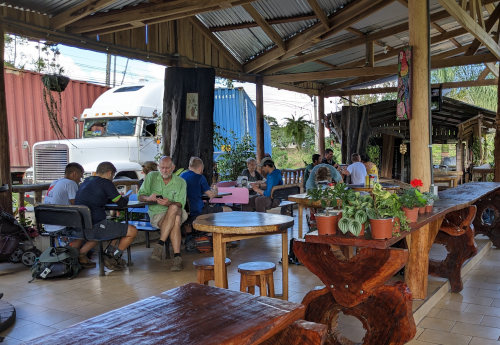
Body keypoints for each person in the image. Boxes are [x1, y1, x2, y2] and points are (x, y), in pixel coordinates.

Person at [75, 162, 138, 270]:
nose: (112, 178)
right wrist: (125, 198)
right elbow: (121, 203)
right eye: (113, 176)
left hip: (81, 224)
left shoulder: (87, 181)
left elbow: (100, 197)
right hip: (96, 224)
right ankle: (114, 257)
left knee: (113, 228)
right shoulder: (106, 183)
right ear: (109, 173)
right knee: (132, 231)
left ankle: (81, 254)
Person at [44, 162, 97, 268]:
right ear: (74, 174)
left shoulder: (55, 182)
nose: (80, 179)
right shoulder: (70, 183)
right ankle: (75, 256)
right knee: (95, 232)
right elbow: (77, 205)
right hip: (61, 225)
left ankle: (75, 255)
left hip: (48, 224)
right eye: (80, 176)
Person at [138, 156, 186, 271]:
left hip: (178, 210)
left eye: (168, 168)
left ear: (173, 168)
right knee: (176, 221)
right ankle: (177, 258)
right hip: (157, 214)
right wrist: (148, 198)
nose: (164, 171)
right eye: (162, 168)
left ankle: (160, 244)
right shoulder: (151, 176)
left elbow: (180, 204)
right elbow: (140, 196)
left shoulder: (181, 182)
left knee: (174, 208)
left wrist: (169, 203)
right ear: (158, 167)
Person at [180, 157, 219, 227]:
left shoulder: (182, 175)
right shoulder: (200, 177)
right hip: (198, 210)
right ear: (201, 168)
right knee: (228, 209)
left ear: (189, 166)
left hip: (184, 210)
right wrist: (216, 190)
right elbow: (211, 195)